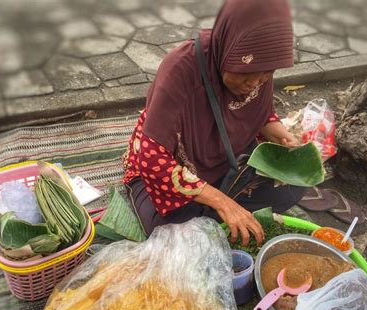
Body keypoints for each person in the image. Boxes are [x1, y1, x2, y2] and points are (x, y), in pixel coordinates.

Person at [122, 0, 305, 245]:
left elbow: (260, 113)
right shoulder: (180, 67)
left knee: (293, 186)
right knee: (169, 236)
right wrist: (222, 201)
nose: (255, 82)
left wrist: (279, 133)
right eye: (245, 73)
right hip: (167, 171)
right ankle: (215, 209)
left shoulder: (260, 66)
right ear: (228, 47)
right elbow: (151, 158)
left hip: (223, 162)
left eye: (266, 74)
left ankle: (214, 213)